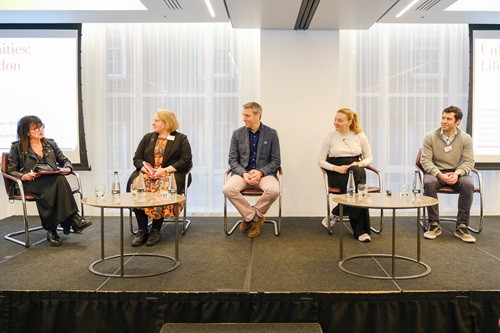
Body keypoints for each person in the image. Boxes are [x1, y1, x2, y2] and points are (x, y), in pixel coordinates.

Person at [7, 115, 91, 246]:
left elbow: (65, 161)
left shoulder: (50, 144)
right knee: (58, 181)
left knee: (57, 179)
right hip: (30, 183)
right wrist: (23, 176)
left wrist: (67, 168)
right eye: (35, 128)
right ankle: (73, 218)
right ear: (26, 132)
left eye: (41, 126)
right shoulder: (17, 148)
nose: (40, 130)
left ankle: (52, 230)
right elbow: (10, 170)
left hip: (50, 182)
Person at [130, 109, 192, 247]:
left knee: (161, 187)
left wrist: (163, 170)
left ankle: (156, 230)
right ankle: (142, 230)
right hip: (148, 174)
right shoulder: (148, 137)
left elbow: (186, 161)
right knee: (138, 187)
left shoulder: (181, 139)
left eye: (156, 120)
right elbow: (137, 159)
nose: (153, 123)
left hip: (170, 174)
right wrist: (145, 168)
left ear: (166, 122)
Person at [222, 102, 281, 238]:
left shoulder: (271, 133)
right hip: (242, 173)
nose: (244, 119)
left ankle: (253, 215)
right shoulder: (237, 134)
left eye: (247, 115)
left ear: (257, 116)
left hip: (264, 174)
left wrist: (260, 172)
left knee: (274, 190)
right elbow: (232, 160)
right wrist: (243, 173)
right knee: (227, 189)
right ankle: (254, 218)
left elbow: (276, 161)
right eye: (243, 115)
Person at [420, 106, 476, 243]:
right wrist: (439, 174)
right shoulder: (430, 137)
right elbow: (425, 160)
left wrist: (457, 173)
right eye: (443, 117)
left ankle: (462, 226)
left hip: (456, 172)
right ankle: (434, 224)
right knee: (428, 182)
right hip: (436, 173)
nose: (444, 121)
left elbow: (469, 161)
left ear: (457, 122)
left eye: (449, 119)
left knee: (468, 184)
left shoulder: (466, 138)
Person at [318, 108, 373, 242]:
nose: (335, 122)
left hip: (355, 169)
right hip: (337, 172)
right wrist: (336, 168)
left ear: (349, 122)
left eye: (340, 120)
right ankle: (362, 232)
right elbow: (320, 160)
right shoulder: (330, 136)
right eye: (335, 119)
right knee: (360, 191)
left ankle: (337, 212)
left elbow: (369, 158)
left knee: (356, 175)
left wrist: (361, 164)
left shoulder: (360, 136)